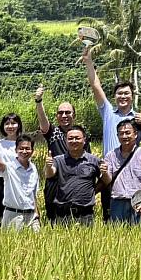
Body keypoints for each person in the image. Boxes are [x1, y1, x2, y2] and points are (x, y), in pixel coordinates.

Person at [81, 45, 141, 221]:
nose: (123, 96)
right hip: (110, 173)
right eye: (119, 93)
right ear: (114, 97)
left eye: (126, 93)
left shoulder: (137, 118)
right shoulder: (108, 112)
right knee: (111, 218)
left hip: (133, 176)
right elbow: (95, 84)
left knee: (137, 221)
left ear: (132, 96)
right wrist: (89, 61)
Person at [35, 84, 90, 222]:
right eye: (60, 113)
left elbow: (88, 161)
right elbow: (43, 121)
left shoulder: (82, 136)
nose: (64, 115)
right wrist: (38, 101)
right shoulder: (53, 133)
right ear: (56, 116)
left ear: (74, 115)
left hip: (76, 188)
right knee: (55, 225)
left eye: (68, 112)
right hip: (55, 187)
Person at [44, 125, 109, 226]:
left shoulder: (94, 160)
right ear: (66, 141)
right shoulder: (58, 160)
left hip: (86, 215)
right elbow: (50, 174)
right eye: (70, 138)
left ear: (84, 140)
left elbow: (107, 180)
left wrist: (104, 173)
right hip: (62, 215)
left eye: (77, 138)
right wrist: (48, 166)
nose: (74, 141)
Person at [103, 119, 141, 224]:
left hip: (139, 201)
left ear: (135, 134)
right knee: (117, 237)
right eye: (121, 133)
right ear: (117, 136)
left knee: (140, 236)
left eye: (127, 133)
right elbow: (107, 181)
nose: (124, 136)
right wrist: (104, 172)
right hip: (117, 201)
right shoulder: (111, 155)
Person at [0, 134, 40, 232]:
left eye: (27, 148)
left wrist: (36, 214)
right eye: (21, 148)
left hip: (31, 216)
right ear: (15, 150)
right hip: (13, 215)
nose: (24, 151)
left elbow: (33, 194)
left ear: (32, 151)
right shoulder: (8, 167)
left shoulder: (33, 168)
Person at [0, 113, 23, 222]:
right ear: (3, 126)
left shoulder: (23, 143)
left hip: (18, 180)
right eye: (7, 124)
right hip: (1, 181)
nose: (10, 126)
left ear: (19, 125)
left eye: (13, 123)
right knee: (1, 211)